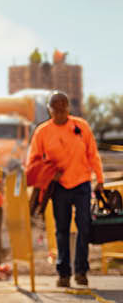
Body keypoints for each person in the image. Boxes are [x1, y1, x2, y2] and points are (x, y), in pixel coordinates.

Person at [26, 92, 105, 287]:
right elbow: (32, 163)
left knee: (84, 226)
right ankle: (63, 273)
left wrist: (100, 179)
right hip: (59, 188)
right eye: (56, 109)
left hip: (82, 184)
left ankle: (81, 271)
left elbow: (93, 154)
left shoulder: (81, 126)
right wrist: (49, 173)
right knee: (61, 230)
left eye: (63, 109)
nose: (60, 113)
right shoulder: (42, 132)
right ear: (49, 110)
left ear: (68, 108)